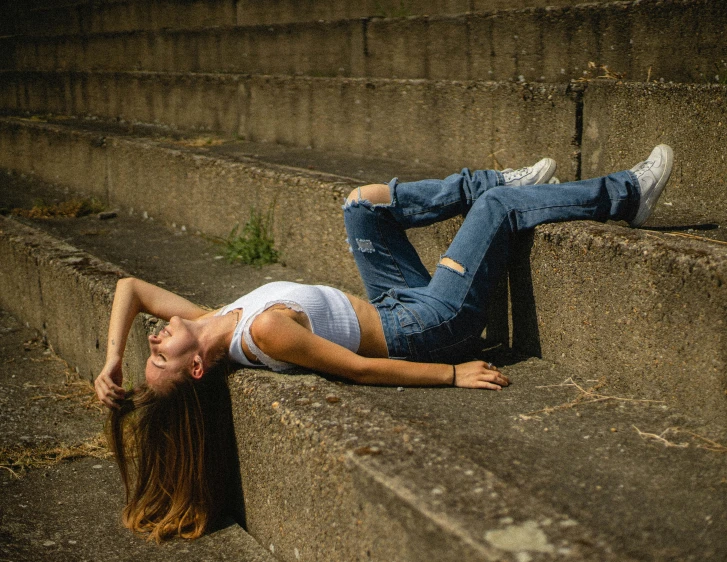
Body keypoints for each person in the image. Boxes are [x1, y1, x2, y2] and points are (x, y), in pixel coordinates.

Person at [94, 145, 673, 541]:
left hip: (396, 303)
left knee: (361, 205)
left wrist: (114, 360)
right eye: (159, 354)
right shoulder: (261, 331)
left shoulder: (214, 320)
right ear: (197, 368)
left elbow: (131, 288)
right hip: (430, 326)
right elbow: (358, 370)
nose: (155, 336)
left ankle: (498, 178)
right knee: (495, 213)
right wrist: (452, 375)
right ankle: (626, 194)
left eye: (151, 345)